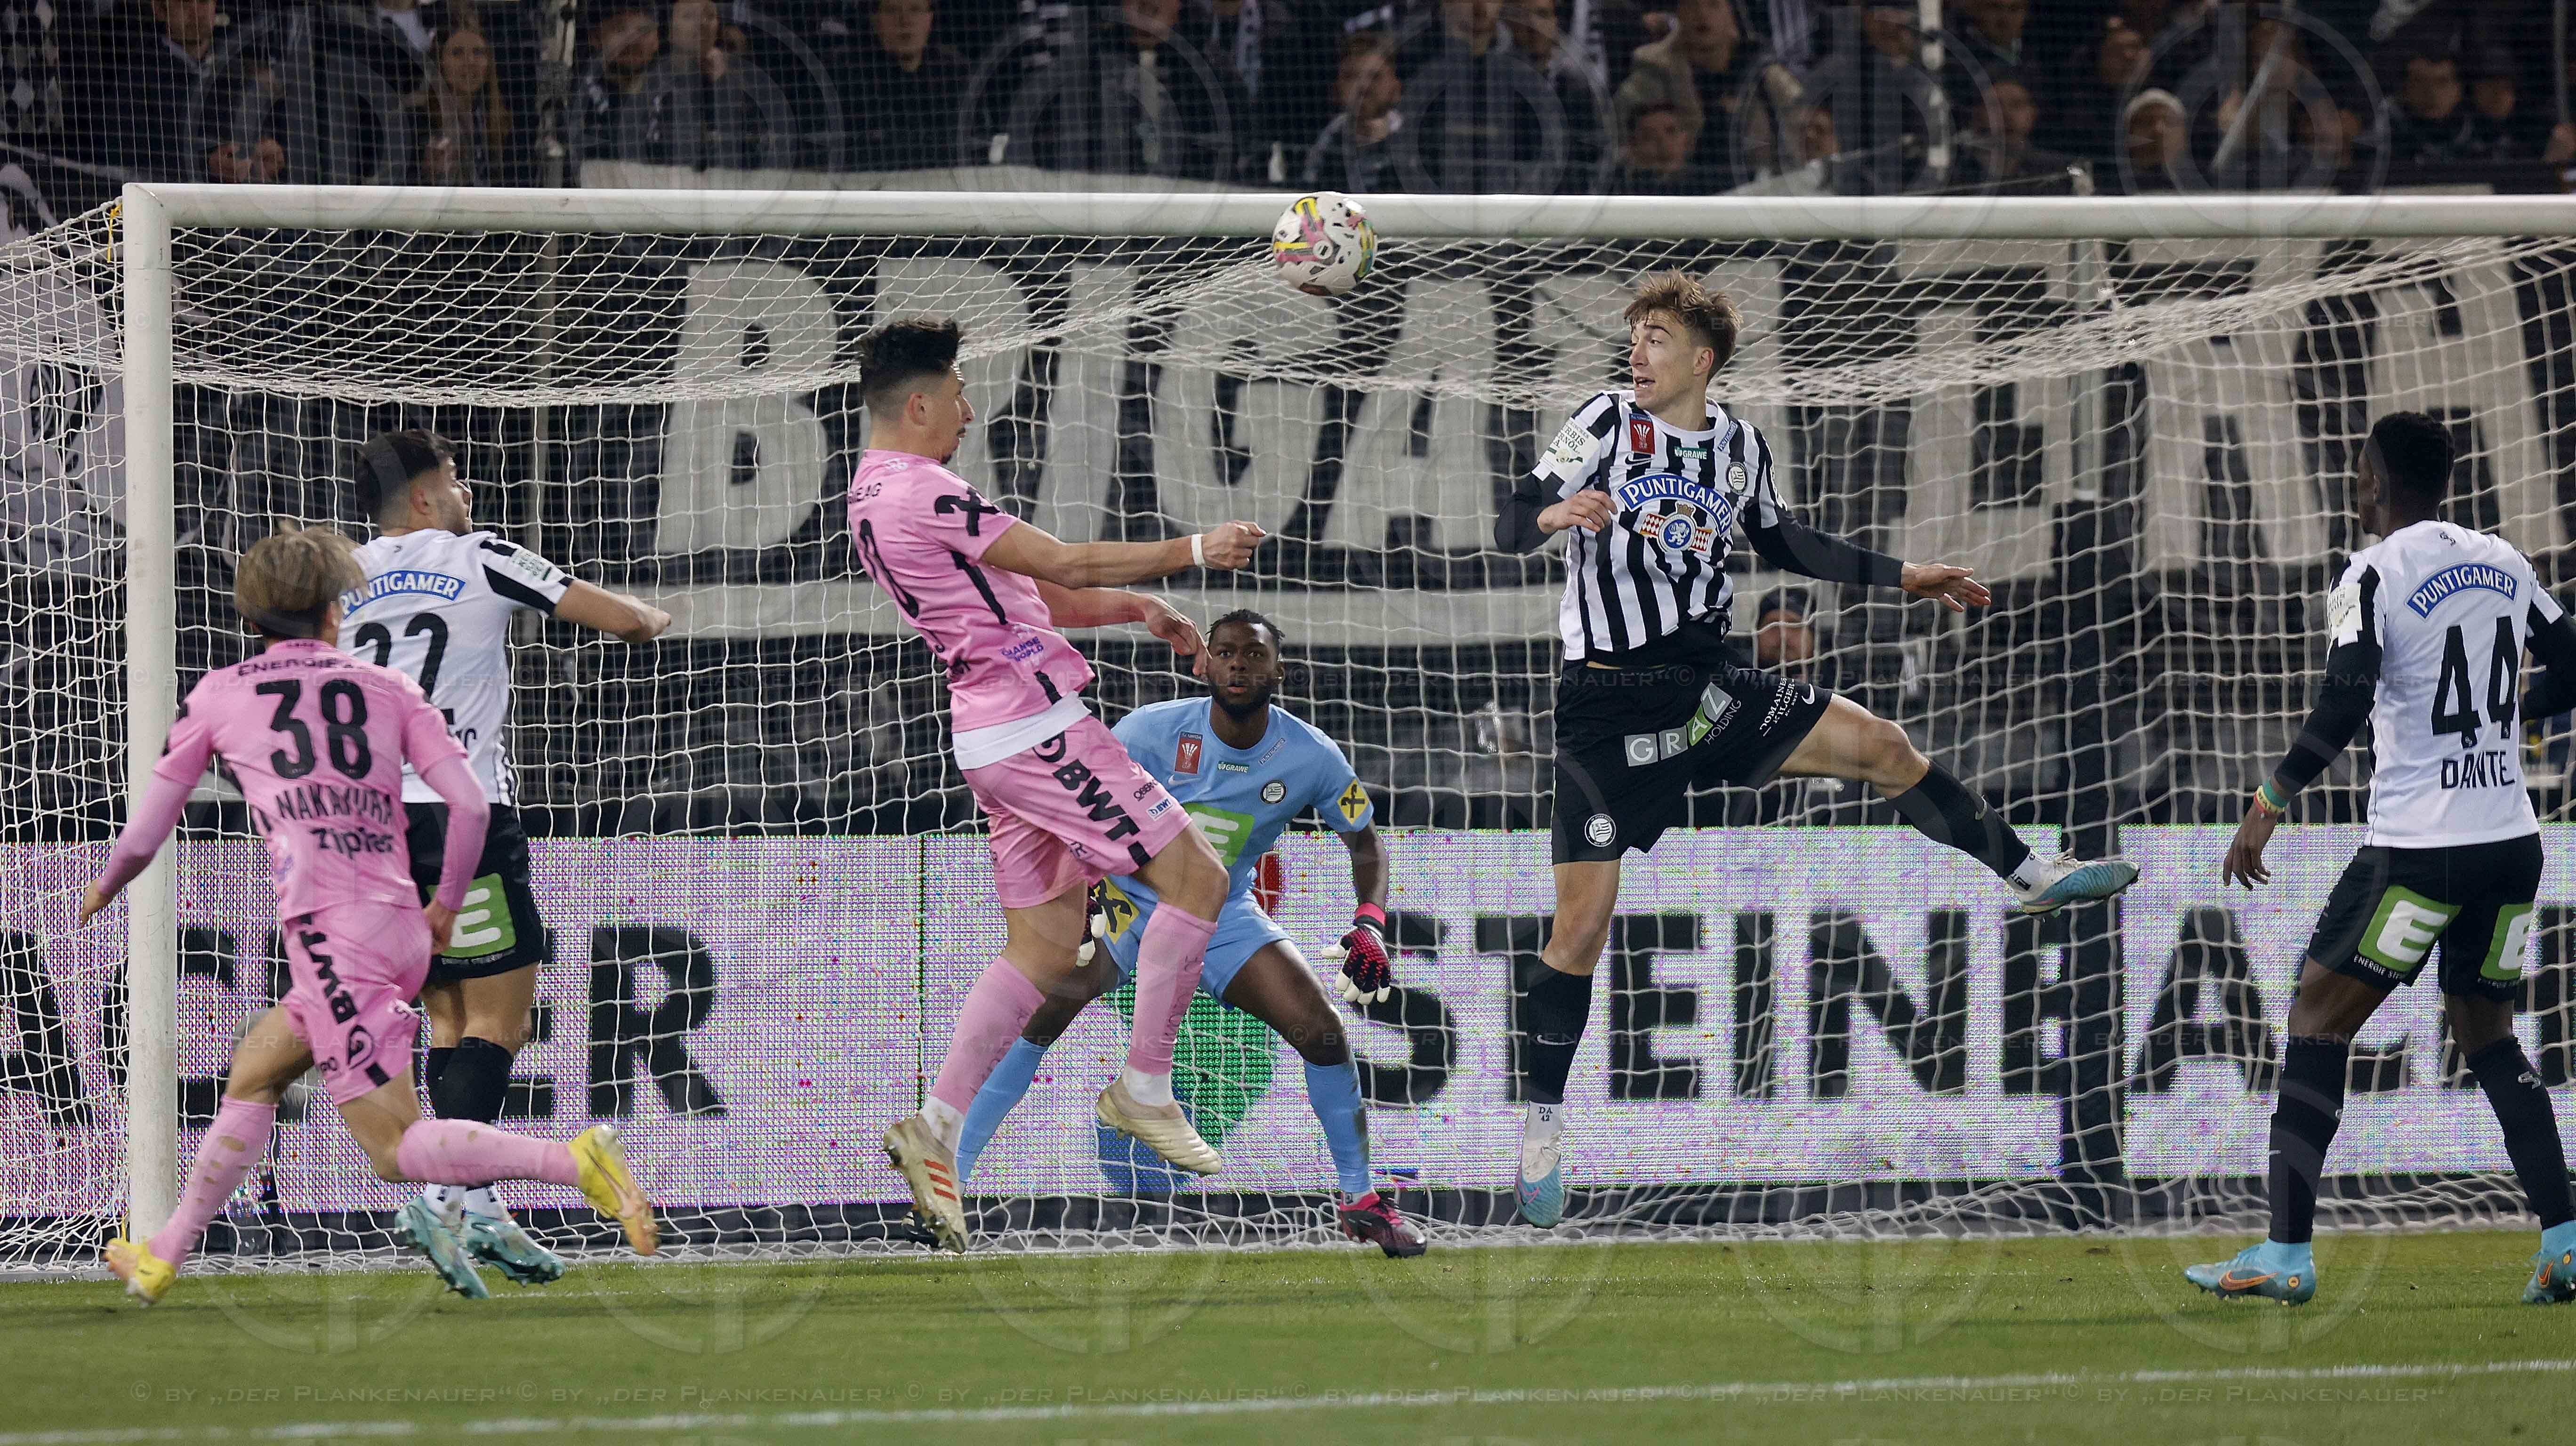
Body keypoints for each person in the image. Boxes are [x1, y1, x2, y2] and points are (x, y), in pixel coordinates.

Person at [1491, 272, 2139, 1228]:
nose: (1637, 352)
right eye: (1635, 336)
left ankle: (2030, 873)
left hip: (1710, 687)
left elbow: (1788, 541)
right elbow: (1511, 521)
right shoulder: (1602, 422)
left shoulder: (1739, 447)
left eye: (1656, 337)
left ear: (1702, 360)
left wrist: (1905, 575)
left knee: (1884, 744)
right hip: (1607, 710)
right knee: (1581, 931)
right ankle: (1543, 1128)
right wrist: (1553, 517)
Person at [80, 528, 656, 1306]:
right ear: (334, 612)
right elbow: (468, 804)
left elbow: (148, 830)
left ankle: (574, 1162)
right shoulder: (389, 688)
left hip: (332, 934)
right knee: (256, 1072)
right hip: (399, 923)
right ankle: (164, 1255)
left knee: (395, 1151)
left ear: (248, 615)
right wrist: (445, 904)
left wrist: (106, 885)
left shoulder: (217, 694)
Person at [852, 317, 1265, 1252]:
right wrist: (1193, 549)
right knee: (1198, 880)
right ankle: (1145, 1087)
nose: (968, 411)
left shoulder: (870, 493)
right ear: (917, 405)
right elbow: (1063, 561)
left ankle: (937, 1127)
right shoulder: (924, 488)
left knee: (1043, 951)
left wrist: (1134, 606)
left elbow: (1040, 593)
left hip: (988, 736)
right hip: (1038, 729)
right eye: (957, 395)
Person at [2195, 411, 2576, 1308]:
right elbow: (2573, 665)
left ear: (2375, 482)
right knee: (2488, 1036)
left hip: (2419, 848)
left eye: (2358, 471)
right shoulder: (2506, 561)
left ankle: (2285, 1253)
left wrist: (2269, 799)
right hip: (2509, 844)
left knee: (2314, 1018)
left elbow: (2346, 695)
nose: (2353, 485)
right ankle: (2565, 1243)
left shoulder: (2367, 573)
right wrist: (2506, 715)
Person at [952, 611, 1428, 1257]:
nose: (1238, 664)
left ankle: (1360, 1200)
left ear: (1280, 671)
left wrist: (1369, 925)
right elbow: (1069, 806)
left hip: (1223, 917)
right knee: (1039, 1017)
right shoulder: (1149, 731)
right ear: (1204, 663)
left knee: (1323, 1033)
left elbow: (1366, 844)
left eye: (1254, 655)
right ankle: (948, 1181)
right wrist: (1084, 891)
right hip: (1130, 903)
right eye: (1225, 652)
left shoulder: (1312, 755)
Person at [343, 429, 671, 1294]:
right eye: (455, 479)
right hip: (460, 814)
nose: (467, 493)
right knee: (500, 1022)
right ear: (424, 498)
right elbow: (620, 619)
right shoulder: (480, 555)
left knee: (449, 1019)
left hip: (368, 826)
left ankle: (480, 1205)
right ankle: (447, 1203)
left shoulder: (341, 573)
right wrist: (653, 618)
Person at [840, 0, 972, 171]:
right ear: (875, 20)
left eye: (916, 10)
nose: (905, 21)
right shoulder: (849, 80)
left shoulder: (956, 76)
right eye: (892, 11)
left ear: (930, 19)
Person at [1301, 31, 1406, 191]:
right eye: (1351, 77)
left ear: (1396, 87)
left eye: (1375, 77)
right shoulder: (1326, 145)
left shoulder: (1417, 142)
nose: (1363, 87)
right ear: (1336, 88)